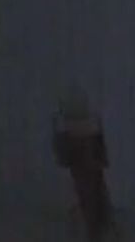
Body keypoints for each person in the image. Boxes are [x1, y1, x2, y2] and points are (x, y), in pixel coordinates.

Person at [52, 87, 111, 240]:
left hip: (85, 166)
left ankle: (97, 229)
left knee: (92, 197)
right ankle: (98, 229)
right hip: (86, 167)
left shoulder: (71, 128)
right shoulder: (87, 126)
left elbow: (65, 155)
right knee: (93, 197)